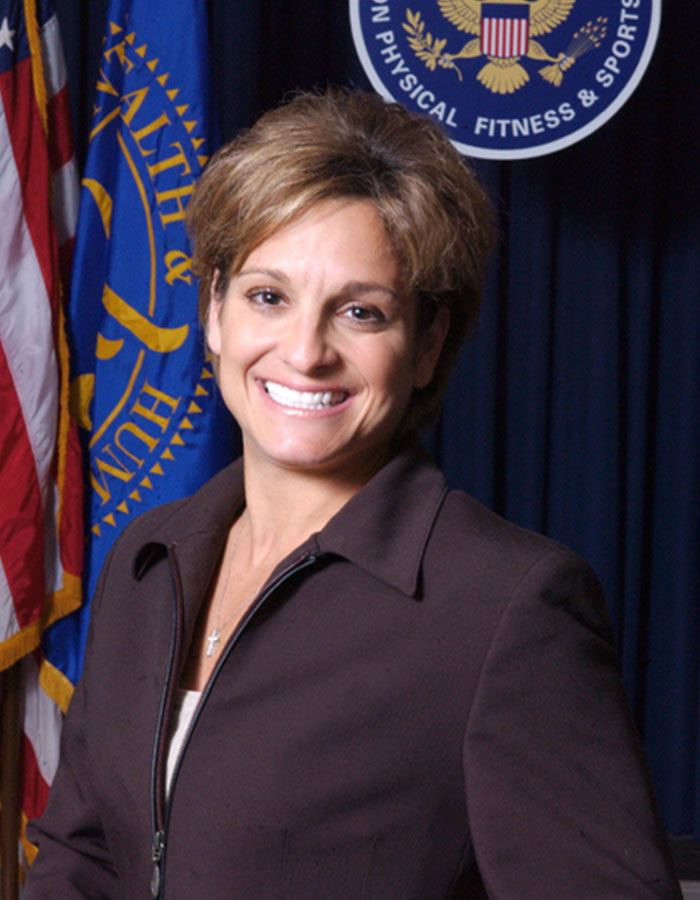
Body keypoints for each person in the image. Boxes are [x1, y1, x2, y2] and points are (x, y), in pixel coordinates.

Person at [25, 89, 681, 899]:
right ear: (214, 310)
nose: (305, 351)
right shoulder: (147, 558)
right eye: (269, 297)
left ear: (428, 344)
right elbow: (84, 856)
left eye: (361, 312)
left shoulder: (506, 607)